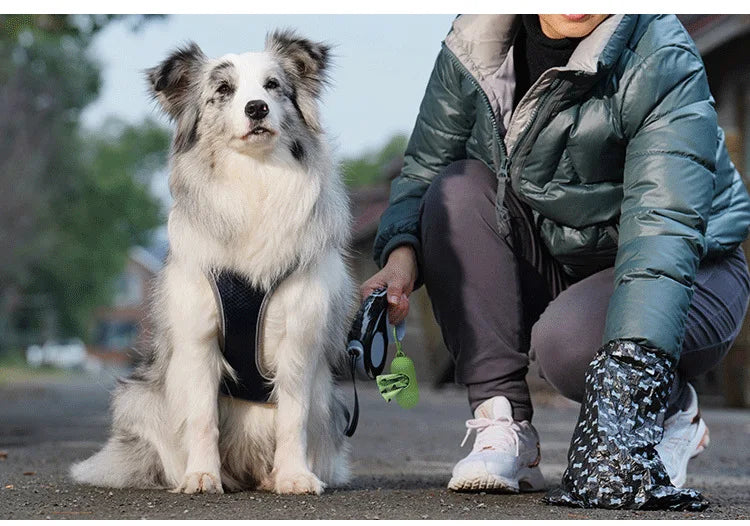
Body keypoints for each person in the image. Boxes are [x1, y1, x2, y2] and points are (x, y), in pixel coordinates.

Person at [361, 14, 750, 509]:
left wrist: (632, 384)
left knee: (569, 349)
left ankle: (669, 412)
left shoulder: (660, 57)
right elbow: (424, 169)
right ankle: (503, 425)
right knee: (457, 188)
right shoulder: (475, 43)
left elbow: (662, 231)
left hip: (690, 266)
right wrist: (400, 256)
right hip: (565, 256)